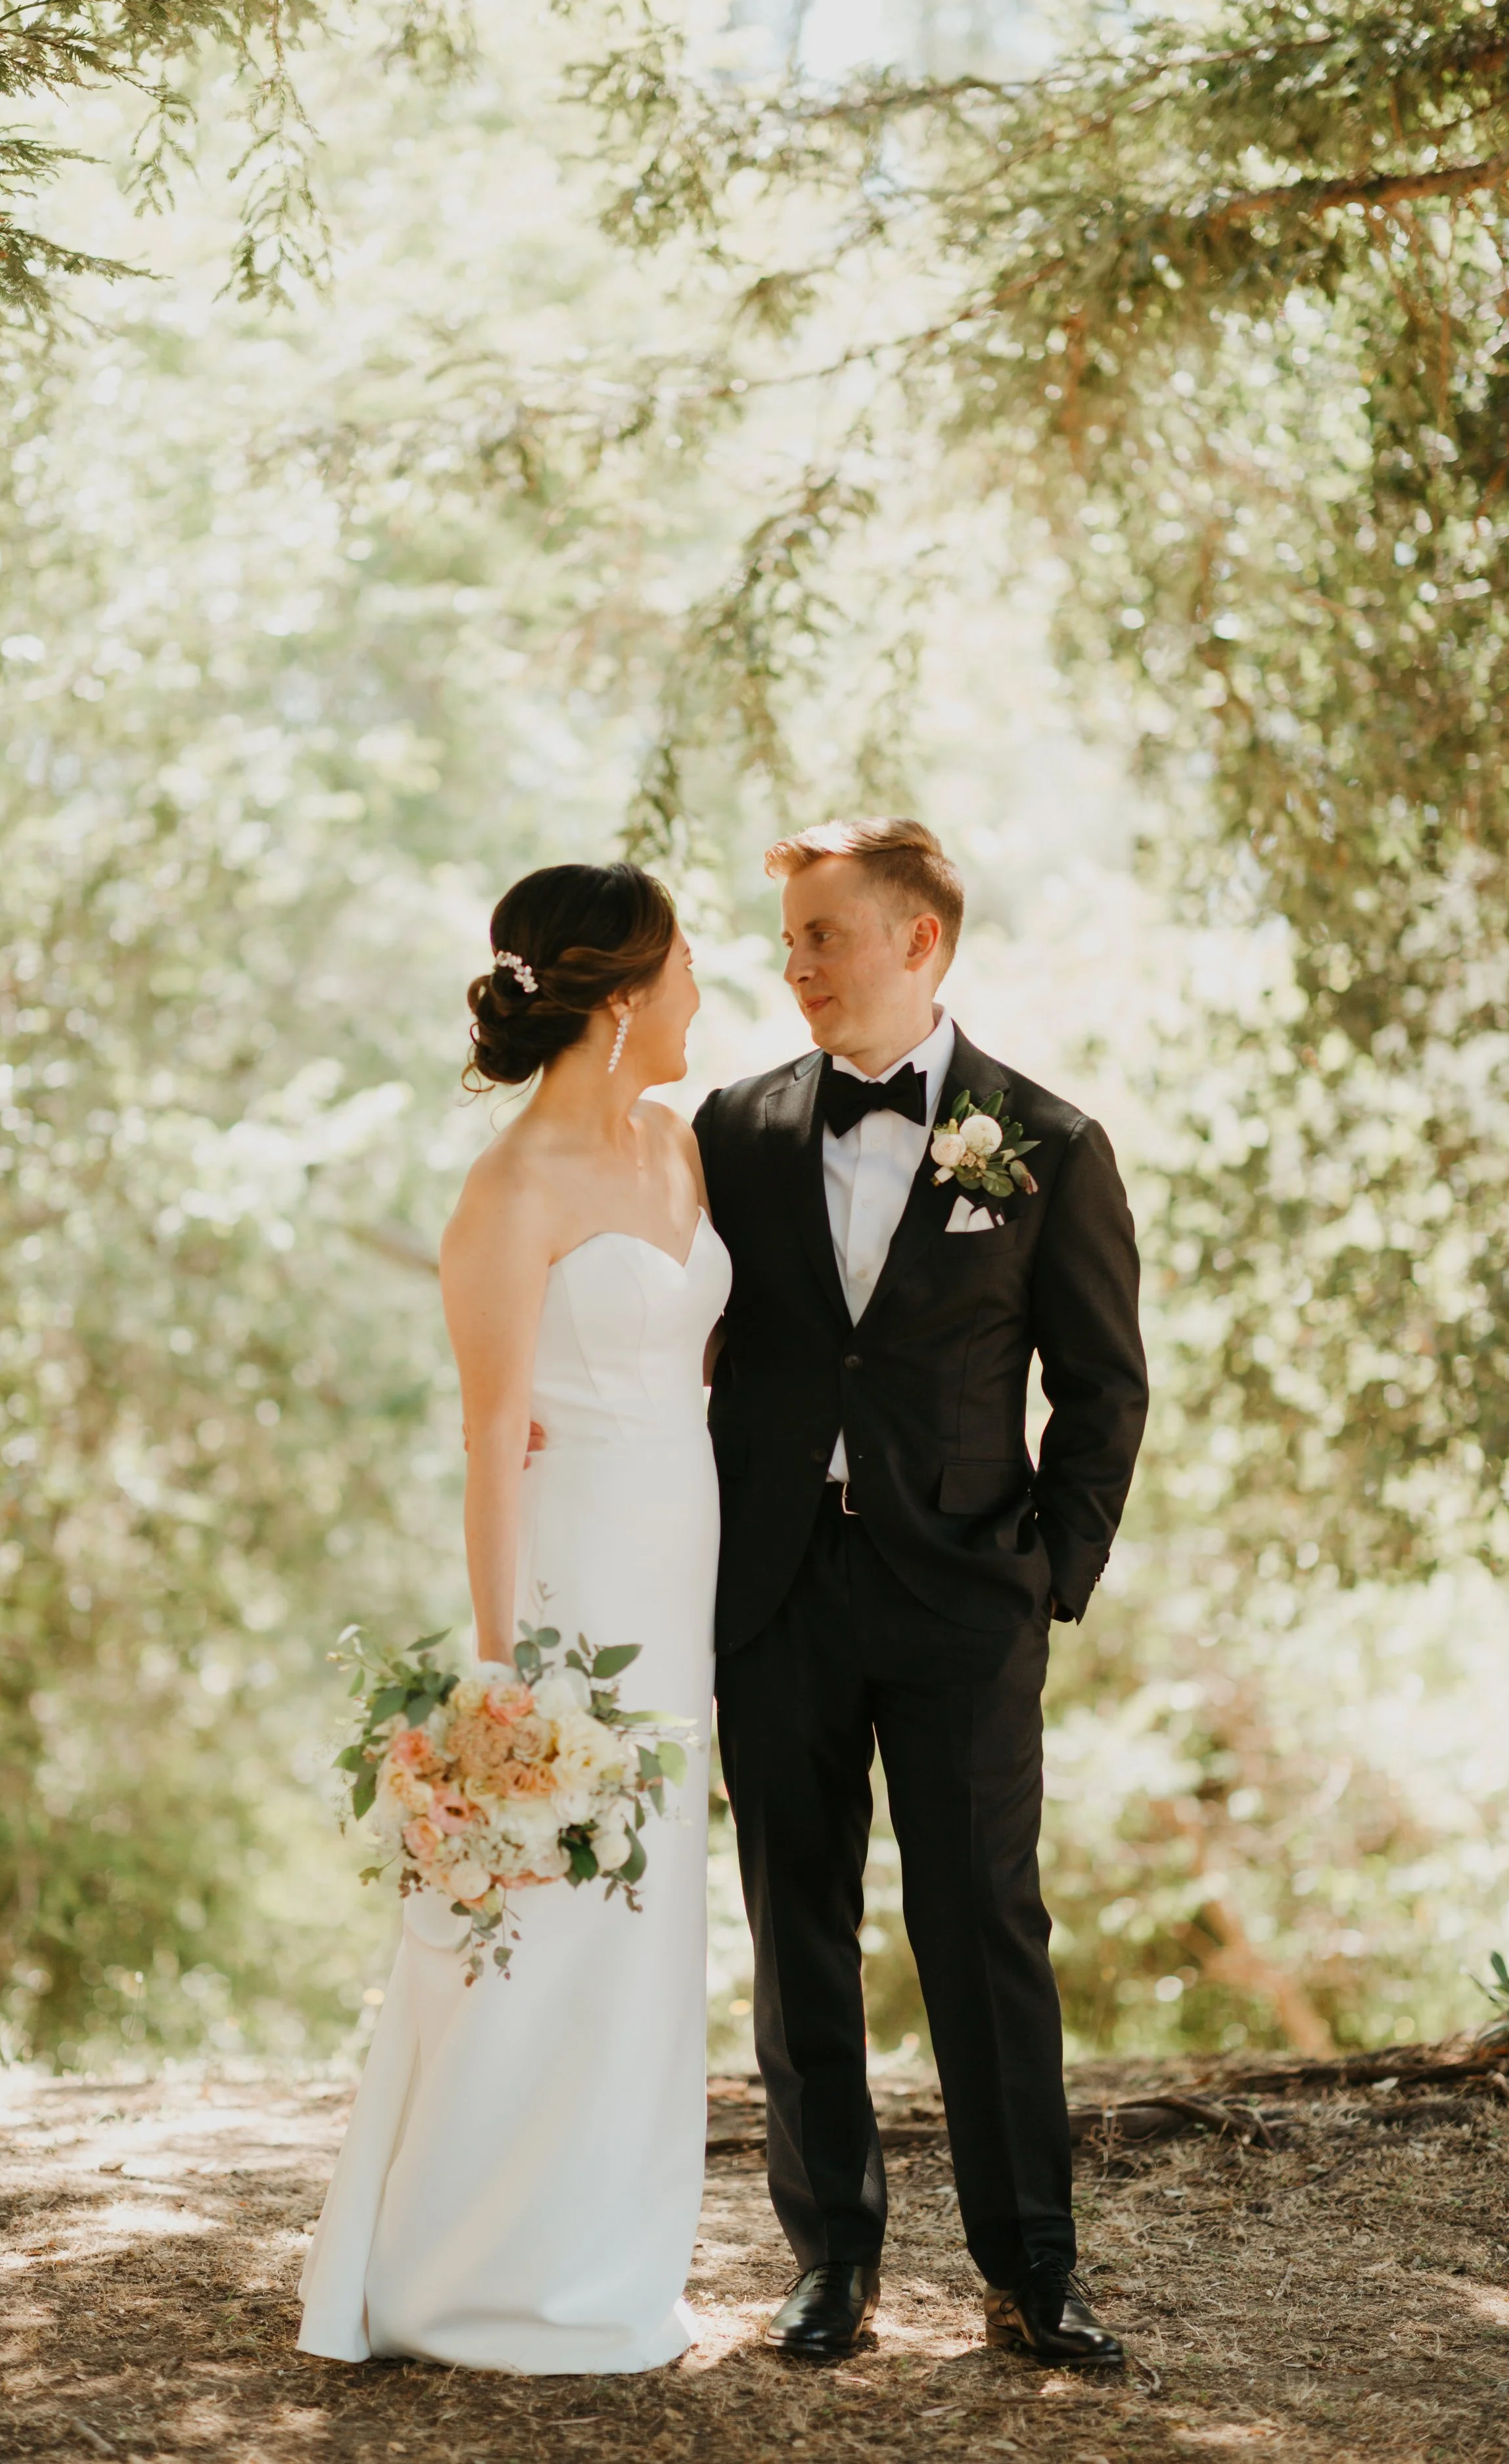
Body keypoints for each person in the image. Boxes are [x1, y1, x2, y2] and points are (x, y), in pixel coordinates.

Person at [697, 817, 1148, 2366]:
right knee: (795, 1927)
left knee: (980, 1929)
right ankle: (832, 2262)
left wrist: (1043, 1581)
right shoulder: (731, 1133)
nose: (794, 963)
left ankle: (1032, 2268)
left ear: (919, 943)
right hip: (772, 1589)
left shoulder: (1050, 1144)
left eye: (823, 933)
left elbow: (1102, 1391)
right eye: (789, 938)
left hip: (962, 1600)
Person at [297, 861, 728, 2373]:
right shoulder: (506, 1193)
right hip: (571, 1596)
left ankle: (610, 2251)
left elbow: (707, 1361)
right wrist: (501, 1679)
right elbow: (491, 1444)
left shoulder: (676, 1145)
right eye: (683, 971)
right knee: (544, 1910)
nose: (700, 997)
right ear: (619, 1000)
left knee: (650, 1917)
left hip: (686, 1581)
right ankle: (466, 2272)